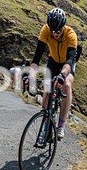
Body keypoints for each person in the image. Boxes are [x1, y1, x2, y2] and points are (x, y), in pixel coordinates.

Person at [30, 7, 78, 140]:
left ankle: (61, 125)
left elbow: (71, 59)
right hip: (53, 61)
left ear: (63, 27)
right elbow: (36, 57)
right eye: (52, 30)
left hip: (67, 64)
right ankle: (45, 126)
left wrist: (63, 75)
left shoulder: (70, 34)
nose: (55, 34)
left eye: (58, 31)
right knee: (47, 88)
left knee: (66, 85)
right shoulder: (46, 30)